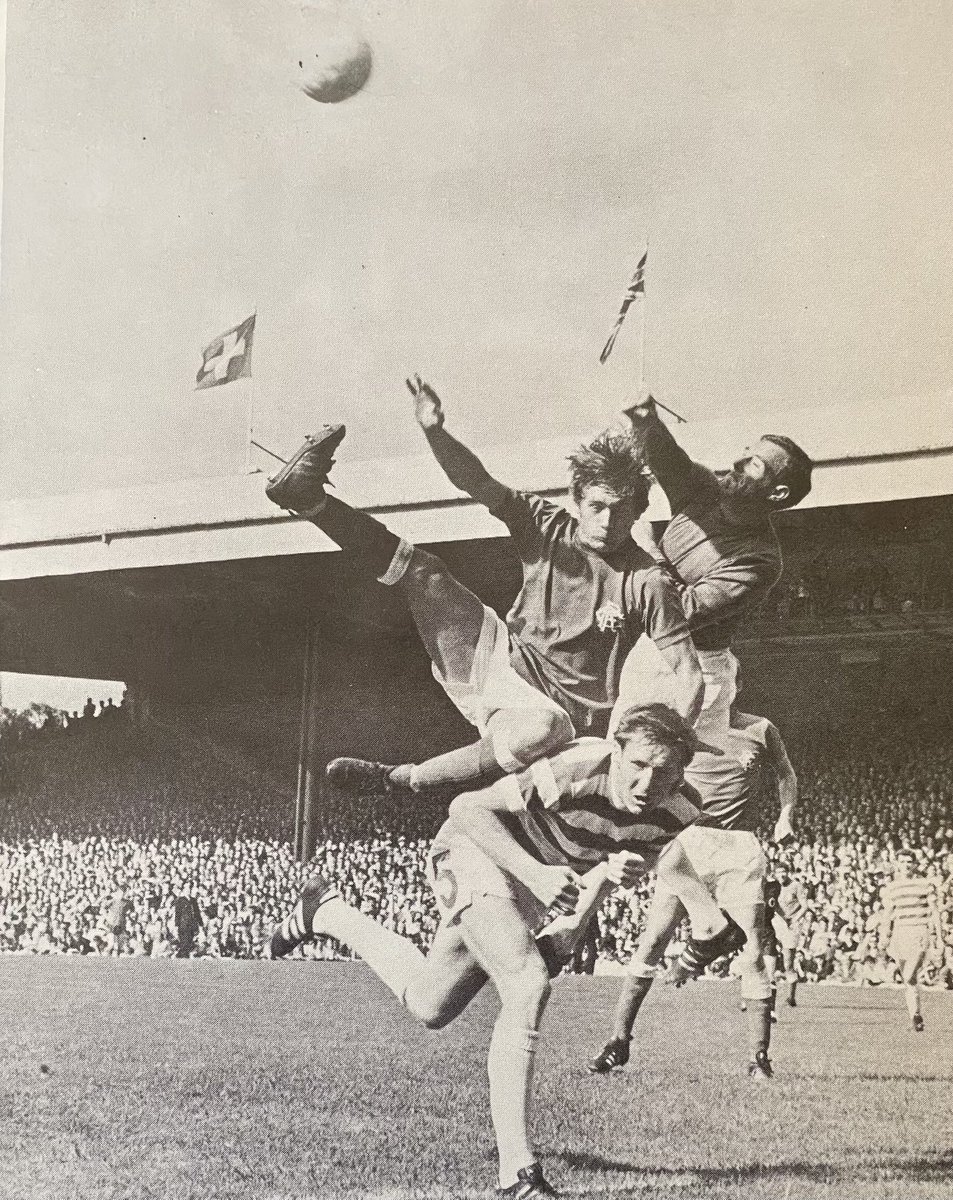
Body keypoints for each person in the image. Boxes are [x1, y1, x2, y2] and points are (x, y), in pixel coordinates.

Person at [269, 703, 714, 1199]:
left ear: (681, 773)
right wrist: (538, 875)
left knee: (429, 1005)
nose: (647, 784)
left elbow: (614, 861)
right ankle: (518, 1175)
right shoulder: (573, 769)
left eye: (664, 772)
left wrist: (589, 901)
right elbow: (467, 808)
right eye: (638, 765)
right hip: (475, 849)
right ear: (617, 751)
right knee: (526, 983)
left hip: (526, 879)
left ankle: (324, 912)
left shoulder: (679, 810)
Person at [265, 385, 704, 802]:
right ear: (577, 500)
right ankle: (309, 501)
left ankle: (401, 779)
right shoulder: (546, 525)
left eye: (621, 509)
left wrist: (672, 748)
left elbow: (688, 674)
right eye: (597, 507)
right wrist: (436, 432)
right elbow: (477, 481)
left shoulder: (647, 581)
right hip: (500, 657)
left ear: (640, 509)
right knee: (427, 575)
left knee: (541, 726)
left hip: (559, 719)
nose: (608, 521)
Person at [585, 708, 797, 1080]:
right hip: (690, 837)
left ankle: (759, 1058)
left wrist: (786, 816)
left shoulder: (761, 729)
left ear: (735, 681)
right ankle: (618, 1042)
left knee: (753, 950)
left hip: (739, 844)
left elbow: (786, 774)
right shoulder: (686, 726)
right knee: (652, 941)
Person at [611, 394, 813, 742]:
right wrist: (646, 419)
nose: (738, 461)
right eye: (746, 452)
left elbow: (680, 612)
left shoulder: (759, 560)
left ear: (777, 494)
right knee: (619, 769)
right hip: (649, 649)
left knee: (671, 780)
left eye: (755, 463)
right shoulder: (704, 489)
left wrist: (645, 550)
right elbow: (667, 458)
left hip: (698, 668)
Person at [879, 850, 944, 1032]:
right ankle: (916, 1016)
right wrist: (885, 935)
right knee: (910, 980)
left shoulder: (924, 884)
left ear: (915, 864)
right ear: (897, 864)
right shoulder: (892, 887)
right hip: (900, 934)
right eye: (902, 862)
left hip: (919, 932)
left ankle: (916, 1016)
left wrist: (939, 937)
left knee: (908, 975)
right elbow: (888, 914)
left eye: (910, 862)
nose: (906, 865)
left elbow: (935, 911)